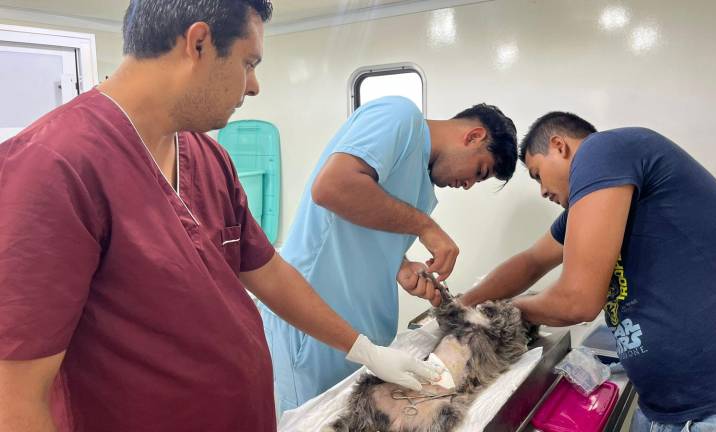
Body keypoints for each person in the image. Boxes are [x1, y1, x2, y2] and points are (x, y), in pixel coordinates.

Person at [0, 1, 440, 431]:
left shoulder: (208, 157)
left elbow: (269, 273)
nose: (254, 86)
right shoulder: (54, 166)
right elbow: (15, 396)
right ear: (199, 44)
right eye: (249, 63)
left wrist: (363, 349)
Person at [461, 112, 716, 431]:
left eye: (537, 174)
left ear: (559, 146)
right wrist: (463, 305)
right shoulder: (590, 206)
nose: (542, 191)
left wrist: (503, 311)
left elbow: (576, 300)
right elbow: (532, 261)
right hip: (661, 408)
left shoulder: (602, 149)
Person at [261, 95, 519, 411]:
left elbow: (361, 233)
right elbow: (331, 187)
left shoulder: (424, 188)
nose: (467, 185)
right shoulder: (399, 116)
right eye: (479, 171)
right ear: (474, 136)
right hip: (316, 332)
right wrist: (426, 227)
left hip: (365, 341)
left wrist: (402, 266)